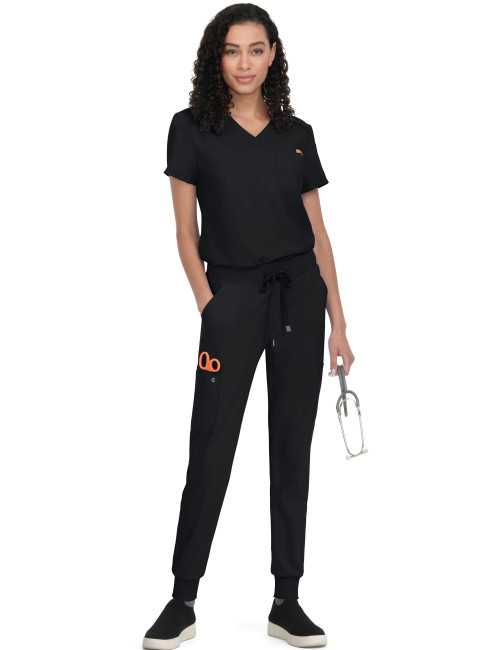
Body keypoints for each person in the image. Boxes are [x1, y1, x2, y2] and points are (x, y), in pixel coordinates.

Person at [143, 4, 354, 649]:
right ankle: (182, 598)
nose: (244, 63)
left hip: (299, 300)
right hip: (231, 298)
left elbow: (318, 234)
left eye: (256, 50)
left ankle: (287, 599)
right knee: (210, 446)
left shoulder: (297, 134)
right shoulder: (191, 129)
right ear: (217, 57)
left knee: (291, 448)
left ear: (272, 56)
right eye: (232, 50)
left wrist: (339, 324)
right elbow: (185, 232)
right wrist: (210, 304)